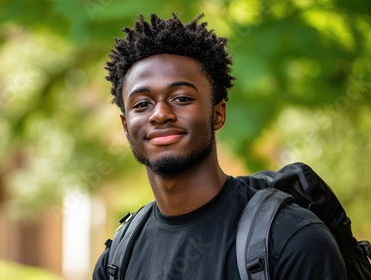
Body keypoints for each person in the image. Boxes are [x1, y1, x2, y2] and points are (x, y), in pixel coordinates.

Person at [93, 13, 347, 279]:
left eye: (181, 98)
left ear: (218, 114)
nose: (160, 114)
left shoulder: (291, 240)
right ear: (125, 125)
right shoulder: (117, 259)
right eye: (142, 104)